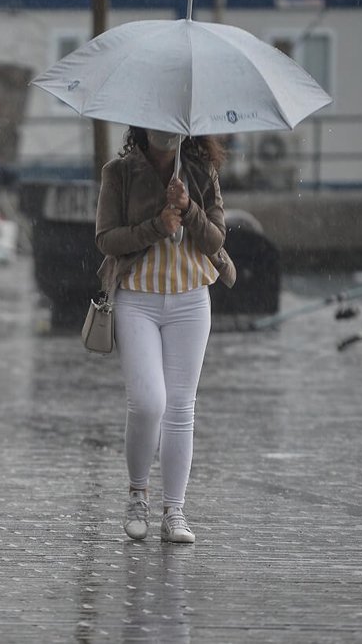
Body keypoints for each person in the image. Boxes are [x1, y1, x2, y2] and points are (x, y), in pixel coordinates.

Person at [95, 127, 235, 544]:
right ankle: (138, 492)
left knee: (180, 408)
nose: (165, 135)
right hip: (137, 298)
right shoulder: (118, 172)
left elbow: (215, 238)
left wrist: (188, 207)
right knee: (147, 401)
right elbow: (106, 239)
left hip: (191, 299)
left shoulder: (201, 170)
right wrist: (158, 224)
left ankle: (174, 510)